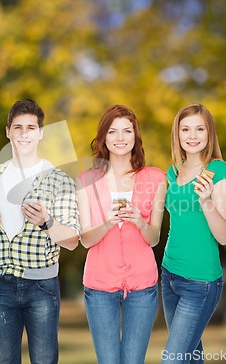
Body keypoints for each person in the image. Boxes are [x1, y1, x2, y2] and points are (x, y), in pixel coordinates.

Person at [0, 99, 80, 364]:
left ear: (41, 132)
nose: (24, 134)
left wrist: (47, 222)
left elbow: (72, 241)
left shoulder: (59, 179)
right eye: (18, 127)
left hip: (41, 287)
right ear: (8, 132)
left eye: (31, 128)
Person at [76, 105, 167, 364]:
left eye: (127, 131)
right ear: (103, 137)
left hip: (142, 285)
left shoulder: (156, 178)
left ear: (135, 136)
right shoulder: (86, 180)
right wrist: (106, 223)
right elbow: (86, 239)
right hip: (99, 285)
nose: (120, 137)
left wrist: (139, 221)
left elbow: (154, 238)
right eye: (113, 131)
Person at [161, 104, 226, 364]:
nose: (192, 135)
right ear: (177, 134)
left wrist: (206, 201)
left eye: (199, 128)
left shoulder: (219, 171)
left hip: (200, 283)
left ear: (209, 133)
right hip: (169, 275)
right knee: (190, 358)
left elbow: (225, 236)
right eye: (186, 129)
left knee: (172, 359)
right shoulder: (173, 171)